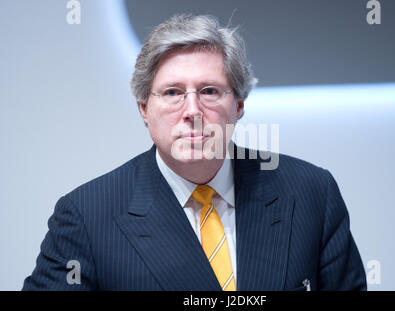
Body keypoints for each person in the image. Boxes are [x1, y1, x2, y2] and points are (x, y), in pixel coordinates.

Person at [23, 14, 366, 291]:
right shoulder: (86, 215)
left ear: (240, 105)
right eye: (172, 92)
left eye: (210, 91)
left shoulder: (310, 193)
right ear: (144, 108)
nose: (192, 110)